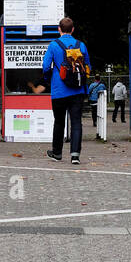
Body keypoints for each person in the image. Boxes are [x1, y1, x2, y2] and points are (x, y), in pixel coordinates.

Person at [42, 16, 90, 165]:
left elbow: (45, 66)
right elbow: (87, 67)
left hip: (59, 90)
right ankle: (75, 155)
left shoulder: (53, 45)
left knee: (59, 122)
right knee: (76, 122)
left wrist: (49, 78)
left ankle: (57, 153)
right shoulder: (80, 45)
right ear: (73, 29)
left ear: (59, 29)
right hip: (77, 90)